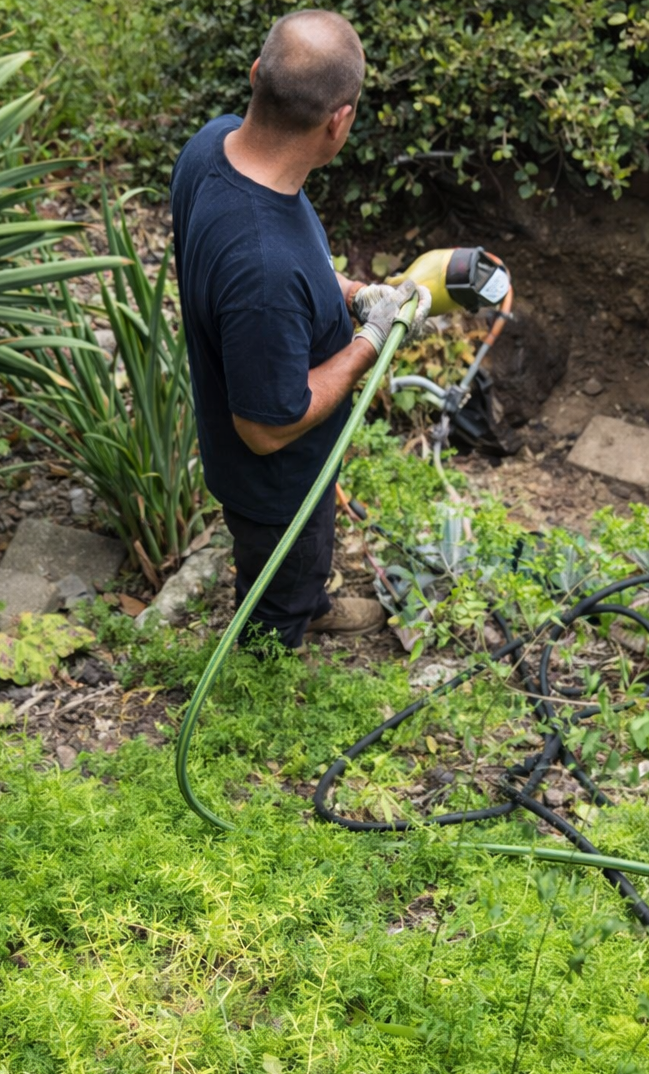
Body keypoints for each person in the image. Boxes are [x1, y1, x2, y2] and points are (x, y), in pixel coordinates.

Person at [170, 10, 430, 649]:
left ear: (258, 74)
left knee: (304, 560)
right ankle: (271, 658)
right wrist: (371, 341)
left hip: (291, 467)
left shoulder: (214, 144)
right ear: (339, 121)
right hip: (275, 480)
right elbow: (264, 428)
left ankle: (305, 600)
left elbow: (278, 275)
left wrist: (354, 294)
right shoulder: (264, 266)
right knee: (280, 585)